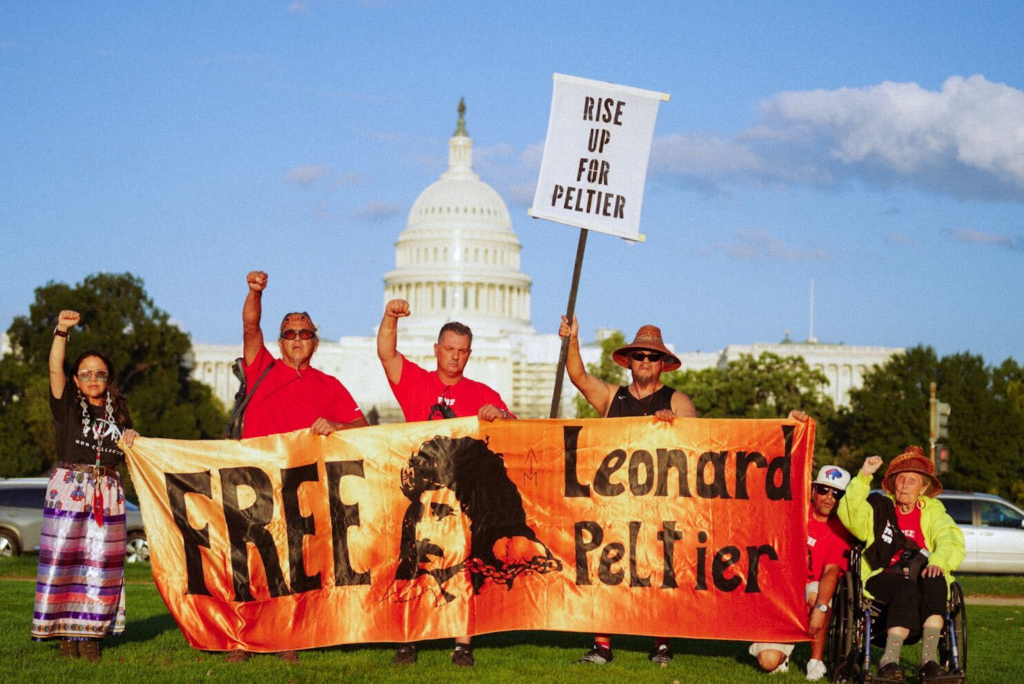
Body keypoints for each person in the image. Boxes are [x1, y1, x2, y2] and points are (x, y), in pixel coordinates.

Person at [229, 271, 368, 663]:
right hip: (255, 479)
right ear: (280, 341)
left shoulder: (329, 385)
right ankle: (244, 639)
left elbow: (363, 428)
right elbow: (249, 323)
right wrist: (255, 292)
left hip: (300, 487)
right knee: (252, 562)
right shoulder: (262, 368)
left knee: (292, 564)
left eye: (304, 333)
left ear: (315, 342)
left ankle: (286, 637)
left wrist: (338, 425)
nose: (296, 339)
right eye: (289, 333)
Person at [377, 298, 516, 666]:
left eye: (462, 352)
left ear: (469, 354)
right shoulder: (415, 383)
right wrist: (390, 317)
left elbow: (515, 428)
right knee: (413, 562)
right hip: (421, 495)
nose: (455, 357)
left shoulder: (482, 393)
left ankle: (462, 643)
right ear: (436, 349)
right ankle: (408, 639)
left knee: (461, 564)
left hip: (460, 499)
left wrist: (498, 415)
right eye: (449, 349)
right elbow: (386, 353)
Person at [559, 315, 696, 666]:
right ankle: (602, 644)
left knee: (659, 568)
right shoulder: (611, 398)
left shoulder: (677, 400)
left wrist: (675, 424)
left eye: (652, 357)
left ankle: (661, 643)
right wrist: (573, 339)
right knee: (607, 569)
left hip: (659, 504)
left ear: (663, 364)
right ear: (630, 361)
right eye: (640, 356)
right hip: (615, 503)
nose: (645, 362)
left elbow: (696, 439)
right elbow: (578, 377)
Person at [32, 310, 139, 662]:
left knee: (100, 563)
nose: (93, 378)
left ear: (108, 380)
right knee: (65, 560)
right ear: (76, 380)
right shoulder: (67, 407)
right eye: (86, 373)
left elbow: (137, 458)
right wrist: (62, 331)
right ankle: (65, 634)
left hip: (107, 494)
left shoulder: (120, 417)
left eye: (100, 374)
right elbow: (53, 369)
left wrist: (135, 438)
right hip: (69, 489)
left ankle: (91, 635)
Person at [837, 447, 965, 683]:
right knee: (905, 587)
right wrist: (864, 476)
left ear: (924, 488)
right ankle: (890, 661)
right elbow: (851, 515)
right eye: (901, 479)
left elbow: (949, 539)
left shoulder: (934, 512)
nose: (905, 485)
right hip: (882, 575)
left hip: (921, 574)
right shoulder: (879, 508)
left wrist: (937, 562)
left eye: (912, 481)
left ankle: (929, 662)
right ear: (893, 483)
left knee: (936, 580)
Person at [750, 464, 853, 681]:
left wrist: (821, 607)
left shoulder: (841, 529)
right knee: (768, 662)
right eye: (824, 490)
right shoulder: (793, 514)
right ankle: (784, 652)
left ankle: (815, 661)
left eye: (837, 493)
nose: (829, 497)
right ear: (814, 490)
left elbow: (831, 572)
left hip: (813, 587)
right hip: (782, 589)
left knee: (816, 594)